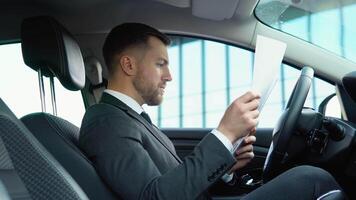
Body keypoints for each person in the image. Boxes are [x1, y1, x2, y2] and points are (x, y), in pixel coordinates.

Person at [79, 23, 344, 200]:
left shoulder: (131, 118)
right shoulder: (106, 121)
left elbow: (178, 184)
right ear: (128, 65)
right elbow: (154, 196)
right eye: (160, 64)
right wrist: (225, 133)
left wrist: (227, 167)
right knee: (311, 179)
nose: (169, 76)